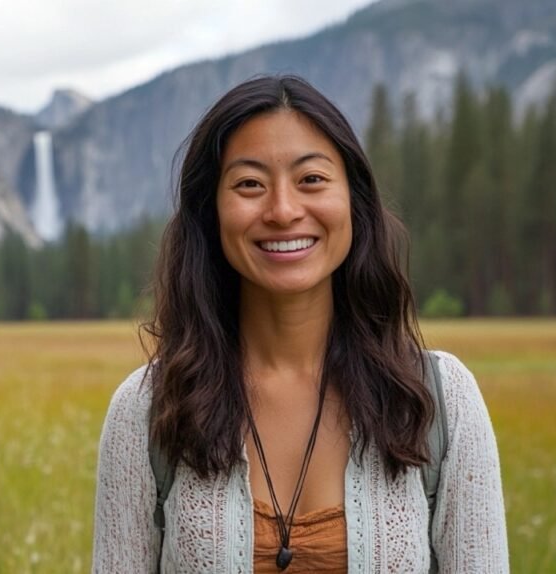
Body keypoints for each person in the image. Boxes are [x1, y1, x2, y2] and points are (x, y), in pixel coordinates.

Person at [92, 75, 508, 573]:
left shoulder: (441, 400)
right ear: (211, 212)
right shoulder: (147, 410)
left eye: (311, 179)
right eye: (249, 184)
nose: (284, 211)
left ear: (354, 203)